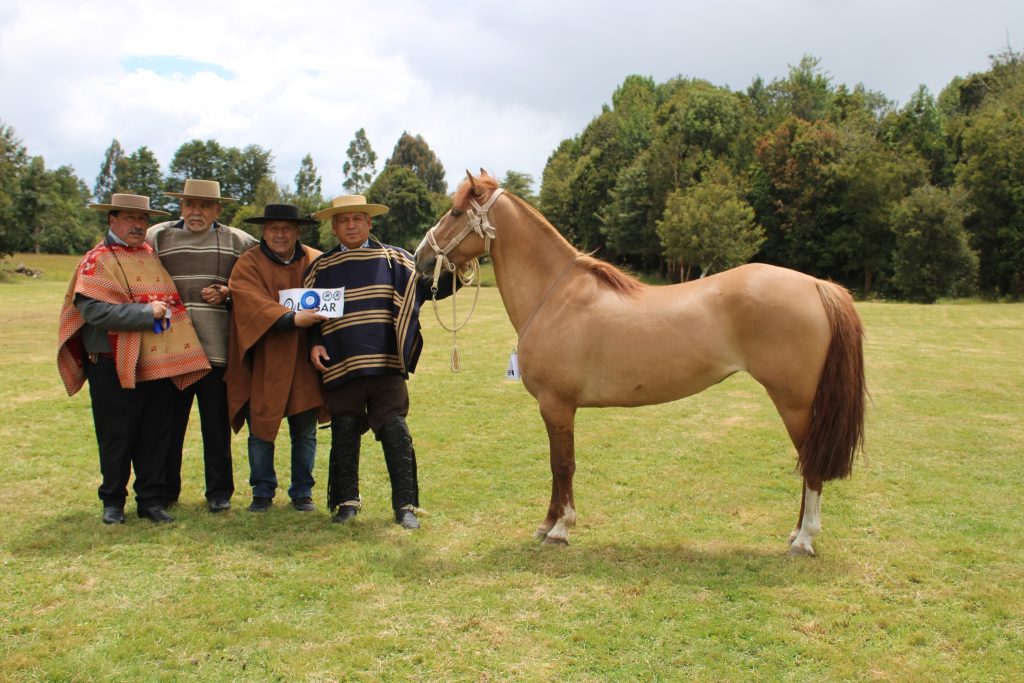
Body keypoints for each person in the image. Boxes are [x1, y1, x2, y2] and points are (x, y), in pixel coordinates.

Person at [305, 194, 460, 529]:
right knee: (344, 431)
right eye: (343, 220)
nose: (351, 226)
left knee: (395, 431)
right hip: (340, 362)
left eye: (357, 219)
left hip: (386, 362)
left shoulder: (396, 259)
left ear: (369, 222)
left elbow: (426, 290)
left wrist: (459, 273)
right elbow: (308, 315)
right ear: (334, 227)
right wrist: (314, 343)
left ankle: (405, 506)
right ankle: (346, 503)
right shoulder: (320, 267)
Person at [57, 193, 211, 524]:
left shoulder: (150, 256)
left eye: (142, 219)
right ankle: (113, 501)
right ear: (112, 220)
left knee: (156, 433)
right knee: (117, 434)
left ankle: (151, 501)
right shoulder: (96, 260)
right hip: (110, 361)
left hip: (157, 362)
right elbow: (93, 311)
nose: (137, 225)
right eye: (129, 218)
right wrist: (144, 313)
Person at [147, 179, 258, 512]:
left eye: (205, 205)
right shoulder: (159, 237)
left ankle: (219, 493)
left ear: (218, 209)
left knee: (216, 427)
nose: (196, 212)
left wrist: (229, 293)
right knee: (169, 427)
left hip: (216, 352)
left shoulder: (239, 241)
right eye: (190, 205)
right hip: (173, 351)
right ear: (181, 206)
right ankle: (167, 490)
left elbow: (256, 282)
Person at [225, 204, 327, 512]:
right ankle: (262, 491)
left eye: (286, 228)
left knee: (305, 431)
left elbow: (330, 304)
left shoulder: (316, 260)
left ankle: (302, 492)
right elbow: (250, 303)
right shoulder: (248, 263)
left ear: (297, 231)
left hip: (303, 358)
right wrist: (293, 318)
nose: (279, 234)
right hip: (265, 358)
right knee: (261, 428)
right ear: (264, 232)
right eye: (273, 228)